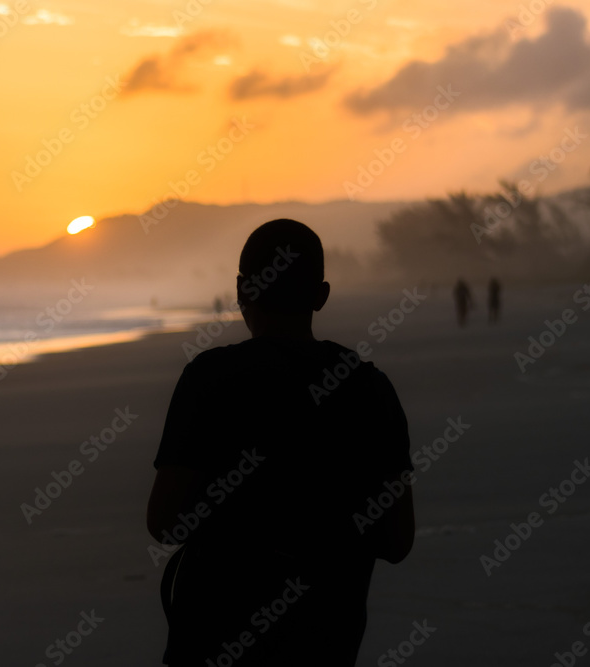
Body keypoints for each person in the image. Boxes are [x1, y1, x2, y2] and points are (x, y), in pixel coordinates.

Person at [147, 219, 414, 666]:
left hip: (213, 640)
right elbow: (397, 541)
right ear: (321, 296)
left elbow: (165, 522)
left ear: (240, 290)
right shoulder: (369, 388)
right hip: (324, 640)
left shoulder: (210, 378)